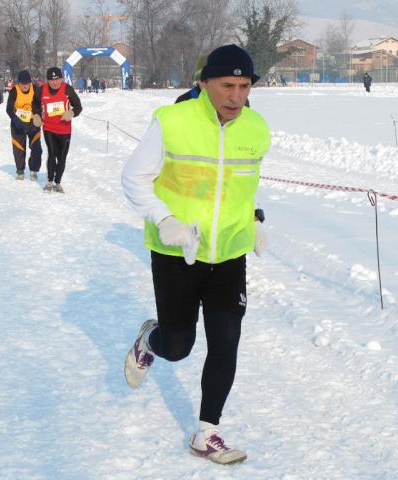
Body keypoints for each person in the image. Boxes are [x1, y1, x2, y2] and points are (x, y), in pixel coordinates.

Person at [121, 44, 271, 465]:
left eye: (244, 86)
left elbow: (242, 184)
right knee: (179, 345)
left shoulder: (256, 128)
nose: (236, 96)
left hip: (229, 254)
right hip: (177, 252)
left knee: (226, 341)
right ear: (205, 83)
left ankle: (207, 432)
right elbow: (134, 179)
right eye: (227, 85)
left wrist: (255, 219)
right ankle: (150, 341)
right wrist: (164, 219)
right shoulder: (172, 122)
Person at [32, 66, 82, 192]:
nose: (54, 82)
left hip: (64, 129)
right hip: (49, 127)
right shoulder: (41, 90)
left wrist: (71, 113)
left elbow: (78, 106)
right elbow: (35, 104)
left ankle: (58, 182)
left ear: (61, 78)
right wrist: (36, 115)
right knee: (52, 152)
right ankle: (49, 181)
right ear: (47, 80)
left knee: (62, 157)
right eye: (51, 80)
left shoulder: (67, 89)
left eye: (57, 79)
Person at [6, 70, 42, 181]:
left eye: (27, 83)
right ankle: (20, 171)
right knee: (19, 148)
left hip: (32, 123)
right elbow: (9, 109)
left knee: (36, 147)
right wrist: (17, 121)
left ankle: (33, 170)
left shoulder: (35, 89)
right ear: (19, 83)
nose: (25, 86)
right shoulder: (14, 91)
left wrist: (38, 116)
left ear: (30, 82)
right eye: (23, 83)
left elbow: (41, 105)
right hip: (18, 123)